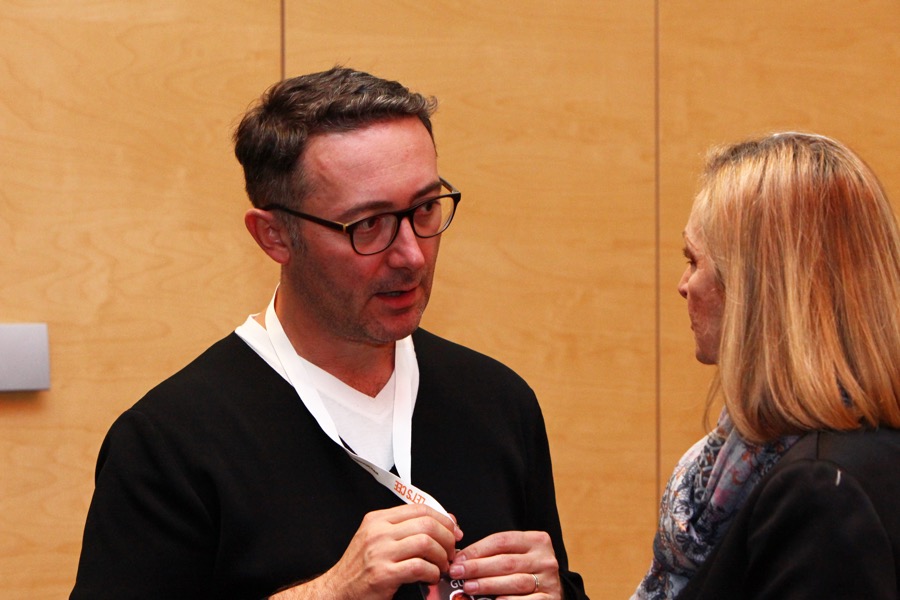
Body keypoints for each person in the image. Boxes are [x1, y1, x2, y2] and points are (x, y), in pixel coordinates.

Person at [71, 67, 588, 600]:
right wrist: (331, 592)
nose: (411, 255)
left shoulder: (498, 402)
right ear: (274, 235)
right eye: (368, 224)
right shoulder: (168, 442)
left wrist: (559, 595)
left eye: (425, 209)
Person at [632, 132, 900, 600]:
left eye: (693, 259)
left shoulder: (820, 492)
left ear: (757, 287)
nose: (683, 285)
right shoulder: (847, 459)